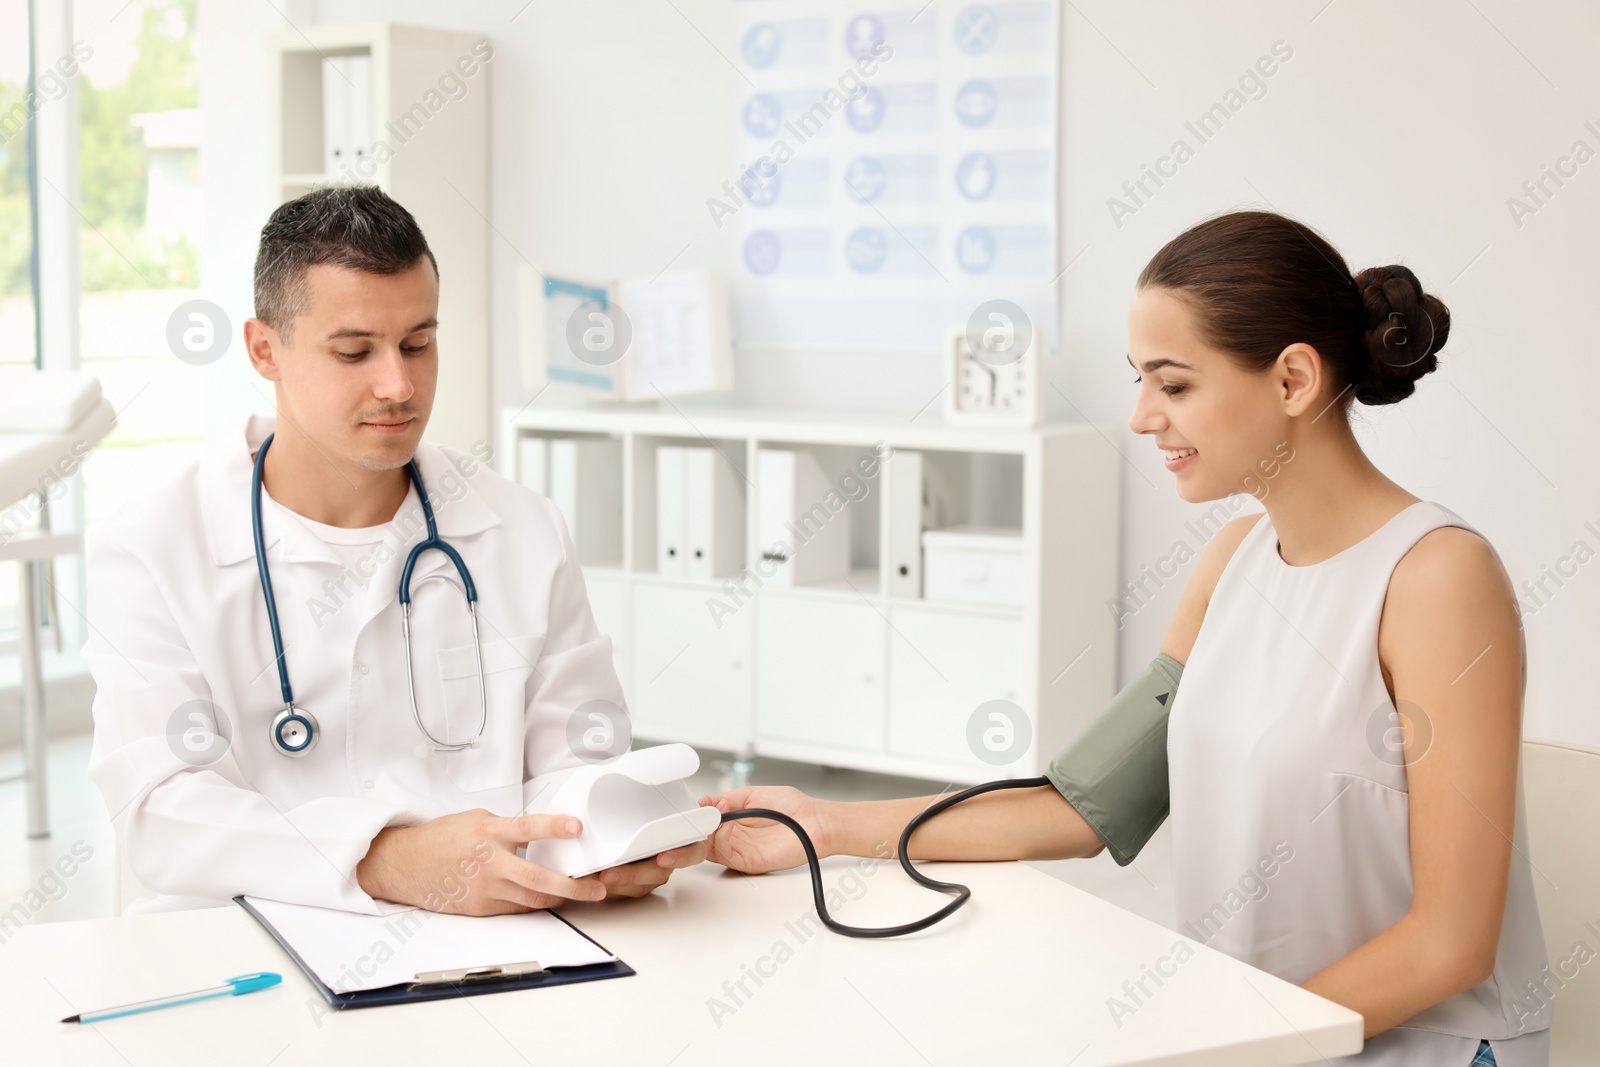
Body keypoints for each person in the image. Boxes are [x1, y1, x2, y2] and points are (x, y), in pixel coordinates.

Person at [701, 211, 1551, 1066]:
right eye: (1141, 381)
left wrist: (1218, 1041)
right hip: (1257, 1033)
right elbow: (1083, 802)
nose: (1143, 416)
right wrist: (825, 825)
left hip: (1418, 1046)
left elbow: (1451, 943)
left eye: (1173, 385)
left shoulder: (1438, 578)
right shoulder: (1231, 563)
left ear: (1293, 379)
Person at [85, 186, 705, 916]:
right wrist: (385, 857)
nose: (399, 385)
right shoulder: (153, 546)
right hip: (242, 947)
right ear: (264, 349)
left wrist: (606, 838)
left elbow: (579, 758)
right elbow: (165, 811)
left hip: (492, 945)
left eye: (418, 343)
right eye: (355, 351)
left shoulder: (524, 530)